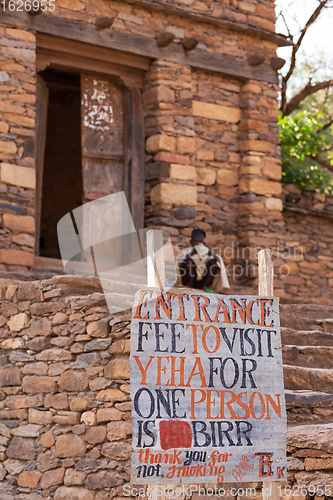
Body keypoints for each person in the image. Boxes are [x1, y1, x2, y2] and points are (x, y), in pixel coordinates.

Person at [177, 229, 230, 293]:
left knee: (213, 263)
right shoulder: (186, 251)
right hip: (189, 281)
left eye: (200, 241)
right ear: (191, 242)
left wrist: (213, 254)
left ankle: (206, 286)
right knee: (188, 261)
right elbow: (178, 262)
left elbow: (219, 261)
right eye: (196, 241)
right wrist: (191, 254)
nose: (198, 243)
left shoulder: (207, 252)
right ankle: (188, 286)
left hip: (202, 282)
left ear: (203, 243)